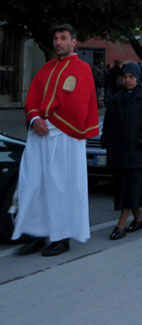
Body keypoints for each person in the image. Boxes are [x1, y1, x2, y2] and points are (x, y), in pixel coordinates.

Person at [13, 24, 99, 257]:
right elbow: (32, 98)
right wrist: (34, 119)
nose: (58, 42)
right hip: (40, 135)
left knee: (61, 186)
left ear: (74, 42)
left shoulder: (82, 69)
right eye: (56, 38)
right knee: (34, 184)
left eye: (63, 38)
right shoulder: (46, 68)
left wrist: (48, 121)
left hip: (65, 137)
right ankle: (36, 233)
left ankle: (61, 236)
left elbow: (78, 104)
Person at [101, 62, 142, 240]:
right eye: (125, 77)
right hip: (118, 151)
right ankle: (139, 219)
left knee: (130, 188)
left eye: (131, 77)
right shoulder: (116, 98)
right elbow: (108, 123)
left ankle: (121, 224)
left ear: (138, 78)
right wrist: (107, 141)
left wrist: (140, 143)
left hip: (136, 153)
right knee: (123, 188)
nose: (128, 80)